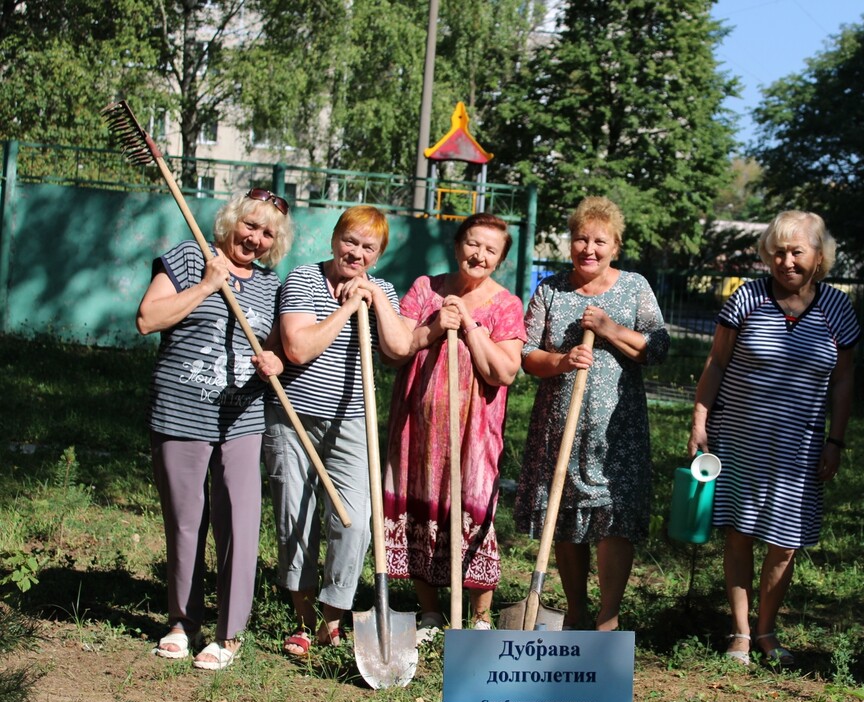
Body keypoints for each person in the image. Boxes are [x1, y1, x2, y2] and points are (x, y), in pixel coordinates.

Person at [688, 210, 859, 667]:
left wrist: (835, 440)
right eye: (778, 252)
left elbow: (843, 382)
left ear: (819, 257)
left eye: (796, 252)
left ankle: (767, 629)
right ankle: (741, 633)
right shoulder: (746, 298)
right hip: (740, 439)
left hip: (799, 447)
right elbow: (716, 364)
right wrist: (699, 421)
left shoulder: (838, 309)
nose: (786, 261)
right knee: (740, 533)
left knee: (785, 541)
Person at [137, 188, 294, 670]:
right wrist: (207, 285)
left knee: (239, 525)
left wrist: (276, 362)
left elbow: (279, 351)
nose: (256, 238)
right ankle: (182, 622)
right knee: (186, 522)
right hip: (181, 411)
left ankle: (229, 635)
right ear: (231, 221)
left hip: (242, 417)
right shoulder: (189, 258)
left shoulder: (271, 286)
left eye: (268, 233)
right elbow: (147, 319)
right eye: (251, 225)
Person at [514, 196, 669, 631]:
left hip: (617, 430)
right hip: (558, 426)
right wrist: (561, 361)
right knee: (565, 519)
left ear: (615, 246)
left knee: (612, 517)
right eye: (581, 239)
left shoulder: (635, 287)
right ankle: (576, 609)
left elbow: (658, 348)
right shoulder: (550, 289)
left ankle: (608, 616)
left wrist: (609, 330)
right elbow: (526, 354)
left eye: (600, 241)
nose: (589, 249)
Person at [266, 205, 412, 656]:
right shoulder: (303, 280)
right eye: (350, 241)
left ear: (379, 254)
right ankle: (304, 621)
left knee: (354, 522)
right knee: (296, 517)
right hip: (293, 416)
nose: (357, 252)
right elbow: (297, 347)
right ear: (334, 239)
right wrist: (348, 307)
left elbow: (400, 348)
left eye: (369, 247)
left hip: (353, 421)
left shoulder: (381, 289)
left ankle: (335, 614)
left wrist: (374, 300)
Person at [382, 213, 527, 631]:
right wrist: (432, 328)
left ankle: (478, 618)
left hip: (473, 434)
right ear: (458, 243)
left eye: (490, 250)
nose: (478, 255)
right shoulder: (426, 289)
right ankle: (428, 611)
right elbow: (395, 351)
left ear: (499, 260)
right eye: (473, 244)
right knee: (416, 510)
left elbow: (504, 372)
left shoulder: (506, 305)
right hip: (416, 428)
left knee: (474, 510)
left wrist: (469, 325)